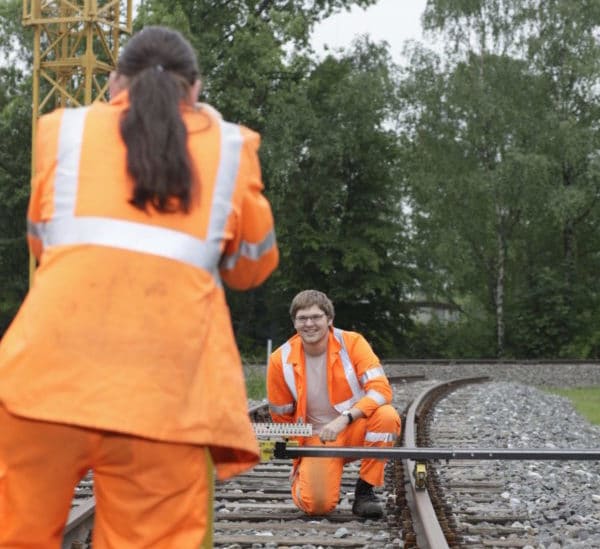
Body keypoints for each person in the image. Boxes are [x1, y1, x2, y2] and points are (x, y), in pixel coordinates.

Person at [0, 26, 278, 548]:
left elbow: (43, 245)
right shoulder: (229, 147)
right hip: (164, 404)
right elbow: (251, 267)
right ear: (194, 91)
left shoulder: (61, 131)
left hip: (40, 388)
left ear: (113, 83)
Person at [267, 290, 401, 519]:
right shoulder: (280, 359)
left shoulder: (352, 343)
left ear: (329, 320)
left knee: (387, 416)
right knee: (317, 506)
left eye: (316, 317)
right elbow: (281, 416)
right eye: (302, 318)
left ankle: (365, 492)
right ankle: (306, 478)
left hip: (352, 429)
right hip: (315, 440)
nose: (309, 324)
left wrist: (344, 419)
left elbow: (381, 390)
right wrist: (298, 456)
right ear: (294, 323)